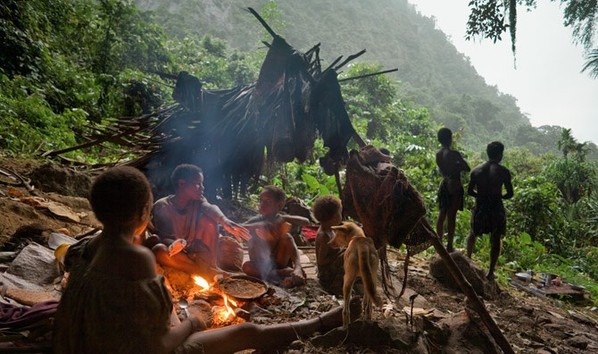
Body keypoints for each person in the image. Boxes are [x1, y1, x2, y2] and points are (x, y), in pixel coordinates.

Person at [53, 166, 362, 354]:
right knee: (247, 334)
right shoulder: (136, 258)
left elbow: (216, 213)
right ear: (143, 213)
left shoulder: (89, 247)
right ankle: (320, 323)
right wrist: (193, 321)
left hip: (90, 343)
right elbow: (159, 345)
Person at [151, 164, 249, 278]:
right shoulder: (163, 206)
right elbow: (165, 238)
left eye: (202, 183)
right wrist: (180, 247)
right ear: (182, 184)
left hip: (197, 251)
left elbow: (210, 207)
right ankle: (204, 271)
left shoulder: (198, 201)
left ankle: (212, 266)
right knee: (159, 251)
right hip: (177, 252)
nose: (202, 187)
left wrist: (224, 221)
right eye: (197, 184)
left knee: (209, 221)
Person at [242, 185, 309, 288]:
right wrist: (261, 225)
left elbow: (306, 221)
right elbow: (240, 226)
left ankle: (297, 267)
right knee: (246, 267)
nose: (262, 204)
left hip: (279, 261)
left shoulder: (281, 219)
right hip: (260, 265)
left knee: (287, 237)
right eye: (261, 201)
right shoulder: (257, 220)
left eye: (267, 202)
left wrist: (285, 218)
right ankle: (281, 273)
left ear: (280, 205)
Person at [466, 141, 513, 280]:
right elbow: (510, 193)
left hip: (480, 206)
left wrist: (481, 196)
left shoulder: (476, 170)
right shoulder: (503, 171)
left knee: (473, 233)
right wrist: (499, 196)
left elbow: (469, 191)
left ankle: (468, 260)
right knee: (496, 237)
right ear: (500, 155)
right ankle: (491, 272)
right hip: (496, 207)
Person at [435, 127, 470, 252]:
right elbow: (467, 168)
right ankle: (449, 244)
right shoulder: (454, 154)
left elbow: (443, 169)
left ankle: (438, 242)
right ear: (450, 139)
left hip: (444, 183)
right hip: (455, 183)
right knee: (451, 216)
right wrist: (458, 165)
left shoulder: (438, 154)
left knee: (442, 213)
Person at [312, 195, 345, 295]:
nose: (341, 216)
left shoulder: (330, 230)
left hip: (331, 267)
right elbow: (321, 261)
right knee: (347, 256)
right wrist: (338, 256)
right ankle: (335, 286)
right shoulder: (324, 236)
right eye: (340, 213)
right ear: (334, 217)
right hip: (326, 273)